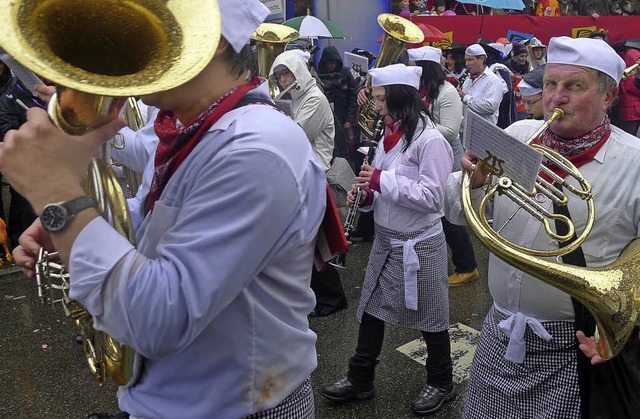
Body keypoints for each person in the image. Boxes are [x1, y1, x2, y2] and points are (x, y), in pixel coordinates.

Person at [5, 0, 327, 417]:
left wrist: (56, 196)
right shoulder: (192, 129)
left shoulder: (256, 148)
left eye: (144, 29)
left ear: (209, 38)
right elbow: (154, 223)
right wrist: (75, 225)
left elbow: (161, 318)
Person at [446, 36, 634, 419]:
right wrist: (470, 182)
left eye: (574, 86)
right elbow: (451, 211)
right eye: (550, 84)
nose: (555, 98)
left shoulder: (634, 163)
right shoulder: (517, 136)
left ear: (609, 96)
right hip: (500, 330)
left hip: (576, 345)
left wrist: (619, 329)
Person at [321, 63, 455, 416]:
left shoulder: (431, 141)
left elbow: (432, 197)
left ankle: (442, 381)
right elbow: (383, 189)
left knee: (431, 316)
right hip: (386, 239)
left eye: (381, 99)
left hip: (419, 243)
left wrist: (380, 181)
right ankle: (360, 377)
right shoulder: (387, 134)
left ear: (400, 97)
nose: (376, 106)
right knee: (370, 310)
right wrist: (365, 198)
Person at [408, 46, 479, 286]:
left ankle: (467, 266)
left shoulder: (447, 92)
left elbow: (450, 131)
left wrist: (414, 125)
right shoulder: (422, 90)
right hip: (427, 156)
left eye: (414, 67)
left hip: (448, 158)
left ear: (424, 69)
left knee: (449, 214)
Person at [0, 59, 42, 249]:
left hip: (49, 154)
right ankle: (19, 237)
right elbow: (5, 128)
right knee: (23, 196)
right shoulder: (9, 97)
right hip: (23, 157)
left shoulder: (45, 93)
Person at [317, 45, 358, 162]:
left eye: (334, 62)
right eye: (330, 62)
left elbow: (352, 97)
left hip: (342, 118)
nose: (332, 65)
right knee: (328, 149)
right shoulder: (318, 75)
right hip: (325, 118)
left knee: (344, 149)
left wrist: (349, 119)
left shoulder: (345, 74)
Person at [457, 44, 504, 135]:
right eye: (466, 60)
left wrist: (465, 97)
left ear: (482, 59)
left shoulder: (493, 80)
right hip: (466, 132)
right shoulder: (467, 81)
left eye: (470, 60)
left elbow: (490, 107)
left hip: (484, 134)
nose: (467, 64)